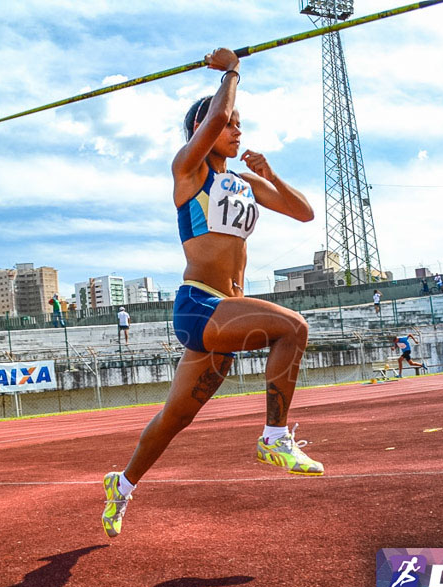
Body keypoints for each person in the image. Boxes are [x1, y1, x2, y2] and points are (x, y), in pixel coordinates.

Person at [101, 47, 322, 538]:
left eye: (240, 125)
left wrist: (270, 175)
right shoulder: (188, 171)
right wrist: (232, 71)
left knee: (176, 416)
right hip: (201, 302)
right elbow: (218, 110)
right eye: (229, 125)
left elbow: (304, 212)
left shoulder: (240, 182)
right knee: (293, 329)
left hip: (224, 310)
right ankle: (275, 437)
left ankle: (123, 483)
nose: (237, 130)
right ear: (203, 131)